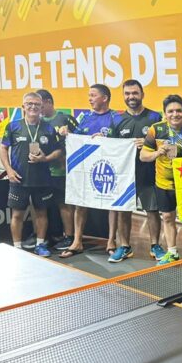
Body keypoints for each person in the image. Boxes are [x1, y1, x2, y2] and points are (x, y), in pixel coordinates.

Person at [140, 95, 182, 265]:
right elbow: (143, 156)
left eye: (178, 110)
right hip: (164, 183)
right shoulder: (156, 130)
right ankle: (172, 252)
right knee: (168, 217)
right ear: (165, 113)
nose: (175, 114)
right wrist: (158, 153)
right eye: (170, 111)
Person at [59, 84, 119, 258]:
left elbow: (123, 141)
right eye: (89, 95)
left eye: (93, 95)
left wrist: (107, 139)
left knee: (112, 204)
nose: (90, 99)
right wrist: (66, 133)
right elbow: (76, 139)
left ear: (105, 98)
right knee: (80, 202)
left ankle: (111, 241)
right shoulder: (85, 118)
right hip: (86, 168)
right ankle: (77, 241)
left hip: (108, 169)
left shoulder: (116, 118)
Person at [108, 79, 164, 263]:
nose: (131, 97)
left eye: (135, 93)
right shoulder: (117, 119)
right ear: (123, 96)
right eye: (127, 93)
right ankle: (125, 246)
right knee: (124, 211)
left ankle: (155, 245)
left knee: (152, 210)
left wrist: (147, 143)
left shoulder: (154, 117)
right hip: (125, 176)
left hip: (150, 173)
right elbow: (110, 147)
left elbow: (163, 143)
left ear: (142, 95)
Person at [0, 92, 62, 257]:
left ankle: (40, 245)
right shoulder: (13, 127)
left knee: (41, 213)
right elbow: (3, 148)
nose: (33, 107)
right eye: (29, 104)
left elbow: (58, 151)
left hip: (42, 179)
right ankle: (17, 248)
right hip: (18, 179)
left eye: (37, 104)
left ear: (41, 107)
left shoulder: (48, 128)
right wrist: (9, 170)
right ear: (23, 107)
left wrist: (45, 158)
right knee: (17, 214)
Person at [36, 89, 78, 251]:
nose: (38, 109)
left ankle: (69, 236)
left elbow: (81, 137)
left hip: (62, 171)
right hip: (42, 172)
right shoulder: (38, 122)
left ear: (48, 102)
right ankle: (46, 236)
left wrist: (69, 134)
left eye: (40, 105)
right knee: (43, 206)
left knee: (64, 204)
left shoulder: (65, 118)